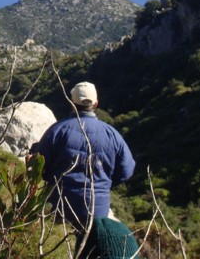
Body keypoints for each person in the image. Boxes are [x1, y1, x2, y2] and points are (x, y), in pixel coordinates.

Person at [32, 81, 135, 228]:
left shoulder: (57, 130)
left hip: (60, 206)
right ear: (96, 104)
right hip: (97, 209)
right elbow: (126, 171)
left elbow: (38, 165)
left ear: (72, 102)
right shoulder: (112, 134)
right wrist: (104, 184)